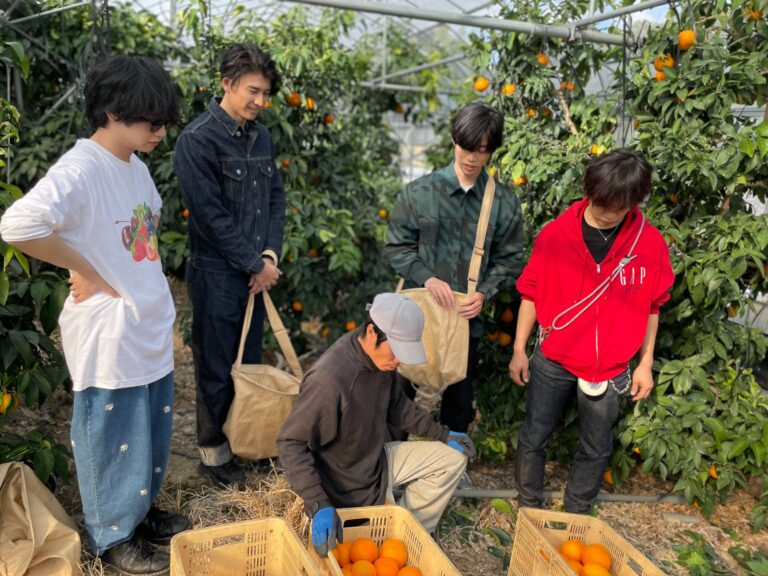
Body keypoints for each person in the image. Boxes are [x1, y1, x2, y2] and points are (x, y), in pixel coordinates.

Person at [0, 55, 187, 575]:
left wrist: (110, 268)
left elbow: (134, 240)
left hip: (145, 327)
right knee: (112, 433)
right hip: (109, 331)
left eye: (163, 120)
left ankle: (141, 513)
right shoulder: (82, 168)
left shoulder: (137, 168)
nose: (160, 130)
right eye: (151, 120)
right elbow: (18, 224)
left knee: (149, 427)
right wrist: (85, 268)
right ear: (111, 111)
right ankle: (112, 536)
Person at [509, 148, 675, 514]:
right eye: (599, 202)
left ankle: (577, 514)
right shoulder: (555, 236)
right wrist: (520, 348)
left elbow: (653, 306)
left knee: (597, 447)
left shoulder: (649, 245)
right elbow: (531, 293)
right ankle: (528, 507)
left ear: (634, 202)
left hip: (610, 367)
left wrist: (645, 362)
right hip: (553, 358)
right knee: (534, 436)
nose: (603, 213)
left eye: (615, 208)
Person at [277, 293, 474, 555]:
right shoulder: (329, 381)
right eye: (396, 350)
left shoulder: (381, 363)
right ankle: (390, 527)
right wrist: (318, 503)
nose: (399, 360)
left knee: (451, 459)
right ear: (372, 331)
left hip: (375, 461)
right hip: (342, 483)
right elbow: (291, 442)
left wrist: (442, 433)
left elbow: (397, 406)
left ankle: (409, 533)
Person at [174, 43, 286, 488]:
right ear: (227, 83)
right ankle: (214, 455)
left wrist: (270, 257)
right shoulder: (198, 140)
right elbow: (210, 216)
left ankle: (243, 440)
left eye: (265, 93)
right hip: (217, 273)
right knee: (217, 363)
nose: (260, 101)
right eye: (252, 91)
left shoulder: (263, 137)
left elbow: (275, 198)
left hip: (256, 272)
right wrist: (251, 262)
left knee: (248, 361)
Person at [385, 102, 525, 434]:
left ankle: (453, 460)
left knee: (459, 400)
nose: (473, 158)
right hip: (417, 313)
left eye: (483, 150)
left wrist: (484, 293)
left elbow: (510, 260)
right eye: (467, 147)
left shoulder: (503, 202)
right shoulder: (420, 193)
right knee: (400, 391)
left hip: (465, 318)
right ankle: (388, 457)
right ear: (453, 139)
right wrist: (428, 278)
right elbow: (396, 248)